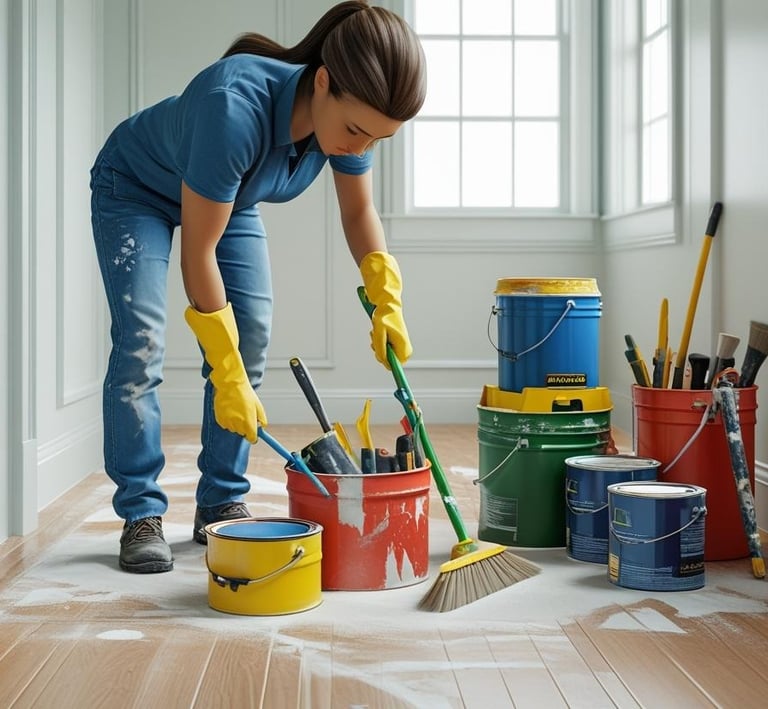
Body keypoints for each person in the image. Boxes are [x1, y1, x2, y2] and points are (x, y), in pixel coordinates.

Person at [89, 1, 426, 573]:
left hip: (227, 196)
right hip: (137, 189)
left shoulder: (343, 126)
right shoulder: (233, 108)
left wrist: (385, 300)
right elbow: (198, 252)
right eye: (356, 131)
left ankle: (220, 498)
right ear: (324, 82)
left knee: (251, 336)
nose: (360, 147)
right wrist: (224, 371)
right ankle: (140, 513)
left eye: (378, 139)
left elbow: (359, 212)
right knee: (141, 340)